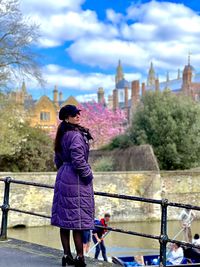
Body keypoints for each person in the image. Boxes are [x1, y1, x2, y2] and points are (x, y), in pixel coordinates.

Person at [51, 105, 95, 267]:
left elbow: (57, 159)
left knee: (65, 221)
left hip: (63, 176)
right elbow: (78, 160)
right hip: (75, 180)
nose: (77, 116)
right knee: (77, 221)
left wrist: (64, 170)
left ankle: (66, 255)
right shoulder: (76, 135)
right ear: (66, 118)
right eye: (73, 114)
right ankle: (80, 258)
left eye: (78, 113)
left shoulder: (62, 134)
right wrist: (88, 175)